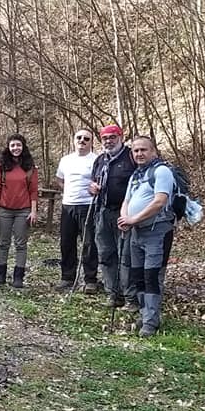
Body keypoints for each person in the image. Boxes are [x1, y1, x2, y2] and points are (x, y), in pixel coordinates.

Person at [118, 135, 176, 337]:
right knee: (138, 276)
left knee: (152, 276)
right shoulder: (136, 175)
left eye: (144, 150)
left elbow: (159, 201)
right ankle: (145, 314)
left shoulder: (162, 171)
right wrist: (125, 219)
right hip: (137, 232)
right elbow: (126, 201)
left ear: (153, 151)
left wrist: (133, 219)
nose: (139, 154)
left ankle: (151, 322)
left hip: (157, 232)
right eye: (136, 151)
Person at [89, 124, 138, 308]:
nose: (108, 141)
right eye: (105, 138)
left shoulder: (131, 156)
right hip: (102, 212)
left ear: (120, 137)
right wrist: (92, 188)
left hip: (125, 213)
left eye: (112, 137)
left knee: (126, 256)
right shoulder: (100, 160)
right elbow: (92, 183)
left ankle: (131, 297)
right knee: (105, 253)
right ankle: (113, 293)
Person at [54, 129, 100, 293]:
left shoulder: (97, 160)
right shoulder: (66, 160)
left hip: (88, 206)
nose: (82, 141)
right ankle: (67, 277)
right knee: (66, 242)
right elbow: (60, 179)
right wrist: (68, 191)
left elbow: (100, 181)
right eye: (79, 138)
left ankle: (90, 280)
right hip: (68, 205)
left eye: (86, 138)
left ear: (91, 142)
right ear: (74, 140)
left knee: (89, 243)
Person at [0, 133, 39, 289]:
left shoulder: (30, 167)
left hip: (23, 210)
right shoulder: (2, 167)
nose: (15, 148)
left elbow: (33, 190)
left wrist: (33, 211)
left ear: (23, 147)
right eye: (12, 145)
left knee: (20, 244)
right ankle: (0, 276)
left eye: (18, 145)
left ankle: (18, 277)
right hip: (4, 209)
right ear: (8, 147)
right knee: (3, 243)